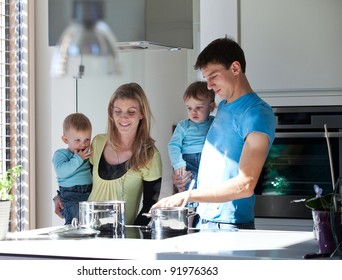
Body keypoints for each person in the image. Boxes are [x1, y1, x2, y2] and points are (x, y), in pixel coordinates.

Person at [152, 37, 276, 230]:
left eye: (213, 76)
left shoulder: (256, 113)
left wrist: (189, 195)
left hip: (230, 225)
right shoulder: (224, 106)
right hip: (205, 220)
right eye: (206, 78)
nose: (209, 86)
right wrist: (186, 181)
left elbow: (245, 184)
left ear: (235, 68)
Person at [87, 82, 162, 226]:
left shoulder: (150, 156)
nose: (123, 117)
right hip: (88, 231)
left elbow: (150, 208)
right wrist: (61, 196)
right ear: (111, 112)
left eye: (131, 111)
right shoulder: (98, 142)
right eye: (118, 111)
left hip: (122, 239)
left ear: (141, 114)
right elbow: (83, 183)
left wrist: (129, 235)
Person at [168, 81, 215, 209]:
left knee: (207, 192)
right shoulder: (183, 125)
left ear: (211, 107)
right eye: (189, 108)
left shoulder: (215, 123)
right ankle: (189, 225)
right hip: (189, 162)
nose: (193, 112)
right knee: (189, 191)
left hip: (209, 160)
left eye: (198, 107)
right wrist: (178, 163)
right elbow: (173, 146)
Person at [52, 113, 93, 225]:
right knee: (74, 224)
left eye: (87, 140)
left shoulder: (88, 155)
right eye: (78, 140)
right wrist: (78, 159)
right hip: (70, 195)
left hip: (88, 192)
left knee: (88, 224)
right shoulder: (61, 154)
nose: (83, 144)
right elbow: (61, 171)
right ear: (65, 139)